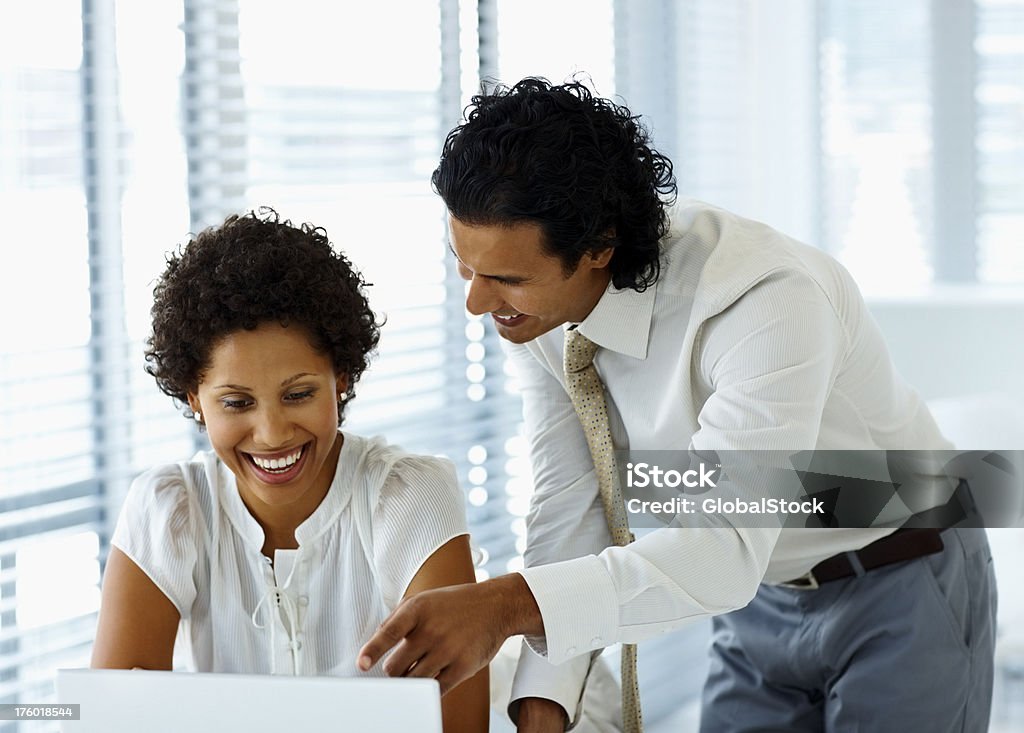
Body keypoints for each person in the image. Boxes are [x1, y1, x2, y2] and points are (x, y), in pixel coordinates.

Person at [357, 78, 998, 732]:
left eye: (505, 279)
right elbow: (573, 499)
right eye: (467, 270)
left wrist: (501, 606)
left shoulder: (764, 300)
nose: (477, 303)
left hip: (900, 568)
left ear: (598, 247)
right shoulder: (538, 314)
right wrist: (542, 706)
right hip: (762, 599)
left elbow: (723, 546)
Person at [91, 209, 489, 733]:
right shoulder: (170, 508)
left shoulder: (408, 496)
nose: (273, 433)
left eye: (299, 394)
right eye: (236, 402)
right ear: (194, 398)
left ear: (341, 377)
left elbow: (456, 727)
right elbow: (111, 720)